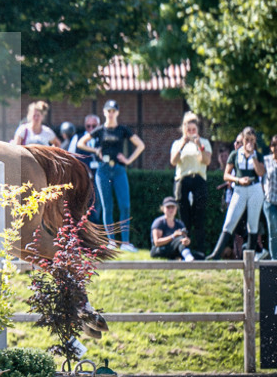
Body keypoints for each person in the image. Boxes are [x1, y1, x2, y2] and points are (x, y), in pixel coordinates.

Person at [77, 100, 145, 252]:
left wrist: (128, 160)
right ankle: (112, 242)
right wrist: (95, 151)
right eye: (108, 110)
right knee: (107, 206)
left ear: (117, 112)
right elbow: (81, 143)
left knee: (125, 205)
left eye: (113, 110)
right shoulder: (100, 130)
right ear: (104, 112)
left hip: (119, 170)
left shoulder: (123, 129)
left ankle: (126, 243)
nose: (111, 113)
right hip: (103, 170)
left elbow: (141, 145)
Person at [207, 126, 266, 260]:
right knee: (229, 222)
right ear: (243, 140)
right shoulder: (235, 154)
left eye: (252, 140)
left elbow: (261, 172)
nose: (249, 143)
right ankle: (216, 254)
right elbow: (226, 175)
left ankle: (250, 257)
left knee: (252, 224)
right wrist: (238, 179)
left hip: (254, 190)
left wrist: (253, 156)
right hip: (239, 190)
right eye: (247, 140)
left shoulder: (258, 155)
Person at [169, 112, 212, 254]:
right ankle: (184, 250)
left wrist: (199, 145)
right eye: (189, 130)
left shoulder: (204, 142)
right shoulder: (177, 143)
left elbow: (206, 161)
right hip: (183, 181)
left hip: (198, 180)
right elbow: (173, 162)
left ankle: (200, 250)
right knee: (184, 217)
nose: (191, 133)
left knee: (199, 217)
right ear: (184, 130)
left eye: (194, 130)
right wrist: (183, 144)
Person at [150, 197, 200, 261]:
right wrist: (173, 236)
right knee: (179, 240)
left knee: (200, 256)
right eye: (168, 207)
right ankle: (187, 257)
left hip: (174, 249)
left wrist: (187, 241)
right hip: (159, 250)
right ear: (163, 209)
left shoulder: (179, 223)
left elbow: (184, 238)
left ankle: (186, 257)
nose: (171, 209)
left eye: (173, 207)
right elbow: (157, 242)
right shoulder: (159, 222)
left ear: (176, 208)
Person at [263, 135, 277, 261]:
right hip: (270, 201)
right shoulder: (266, 160)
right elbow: (261, 178)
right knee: (273, 230)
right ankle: (274, 260)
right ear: (271, 147)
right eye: (275, 145)